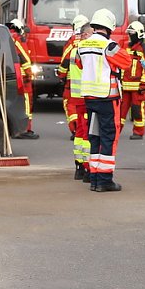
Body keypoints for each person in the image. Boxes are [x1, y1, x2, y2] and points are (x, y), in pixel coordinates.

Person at [75, 8, 133, 192]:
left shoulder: (82, 45)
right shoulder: (109, 45)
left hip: (89, 99)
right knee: (108, 138)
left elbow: (79, 63)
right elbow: (127, 62)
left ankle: (94, 178)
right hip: (108, 98)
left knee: (94, 137)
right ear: (109, 27)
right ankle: (105, 179)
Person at [56, 14, 90, 179]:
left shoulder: (73, 47)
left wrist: (61, 77)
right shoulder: (92, 49)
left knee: (80, 134)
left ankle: (79, 167)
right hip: (90, 97)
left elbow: (64, 65)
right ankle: (88, 168)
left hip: (75, 94)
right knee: (89, 135)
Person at [120, 21, 145, 140]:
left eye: (132, 33)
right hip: (125, 86)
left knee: (137, 110)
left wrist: (143, 85)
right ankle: (116, 130)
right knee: (121, 111)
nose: (130, 36)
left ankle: (138, 132)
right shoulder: (126, 47)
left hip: (138, 88)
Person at [8, 19, 38, 139]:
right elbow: (24, 57)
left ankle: (17, 128)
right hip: (22, 78)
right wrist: (29, 73)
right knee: (26, 103)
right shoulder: (17, 38)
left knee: (15, 103)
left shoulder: (8, 37)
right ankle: (24, 129)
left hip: (12, 76)